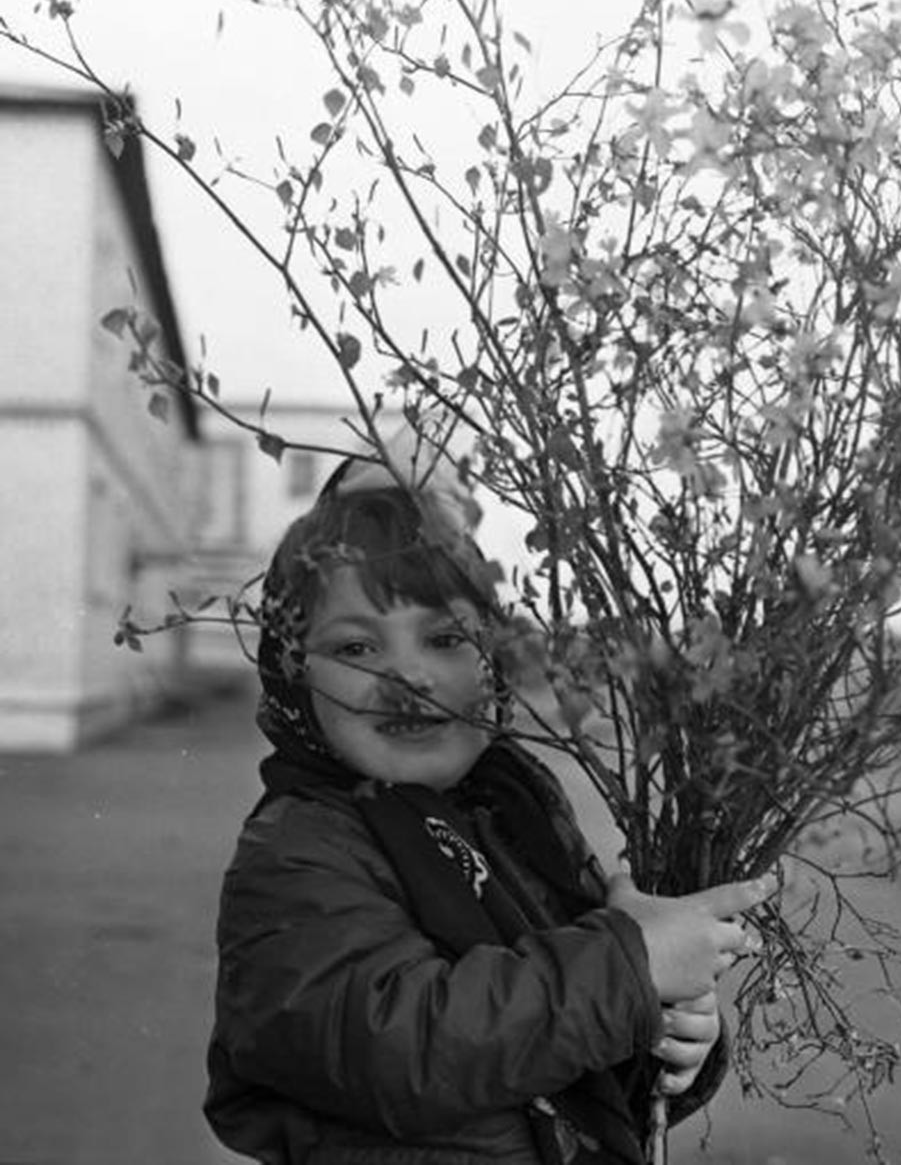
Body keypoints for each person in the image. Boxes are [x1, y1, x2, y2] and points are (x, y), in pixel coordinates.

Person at [204, 465, 771, 1165]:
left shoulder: (514, 812)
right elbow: (400, 1050)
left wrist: (666, 1032)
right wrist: (626, 968)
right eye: (356, 646)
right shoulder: (299, 851)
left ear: (496, 664)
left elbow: (565, 1056)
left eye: (444, 639)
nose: (409, 677)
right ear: (294, 674)